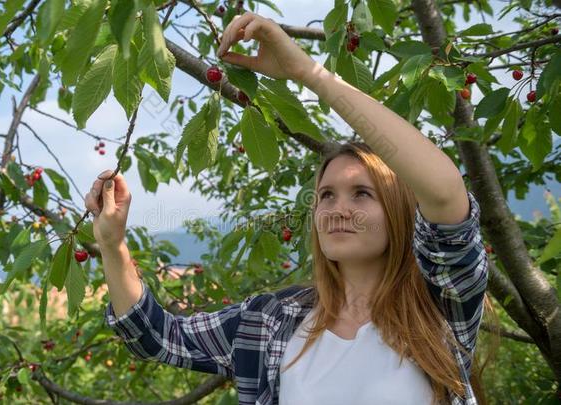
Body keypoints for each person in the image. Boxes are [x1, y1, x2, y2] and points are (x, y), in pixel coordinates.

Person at [85, 12, 491, 405]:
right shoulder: (272, 320)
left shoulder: (439, 306)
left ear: (399, 211)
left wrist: (307, 73)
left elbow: (443, 191)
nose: (337, 208)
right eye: (326, 195)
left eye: (362, 194)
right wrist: (112, 243)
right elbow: (157, 338)